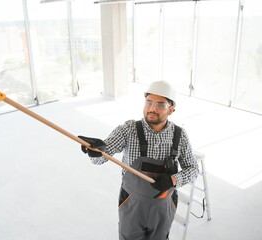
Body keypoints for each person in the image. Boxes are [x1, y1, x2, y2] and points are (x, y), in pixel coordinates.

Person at [79, 81, 199, 240]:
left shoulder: (179, 135)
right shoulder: (129, 129)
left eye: (160, 105)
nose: (152, 108)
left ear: (171, 109)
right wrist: (97, 151)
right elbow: (102, 157)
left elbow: (193, 169)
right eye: (149, 102)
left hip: (164, 207)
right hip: (132, 205)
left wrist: (173, 179)